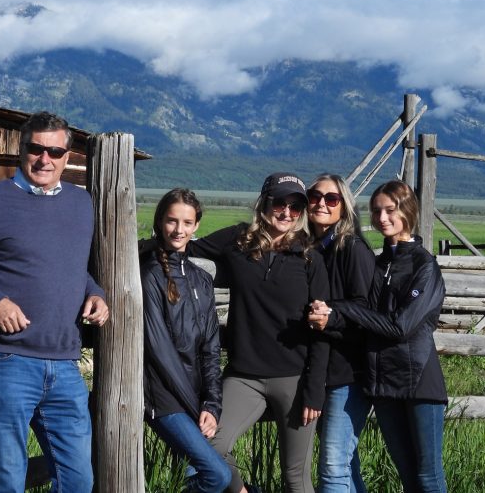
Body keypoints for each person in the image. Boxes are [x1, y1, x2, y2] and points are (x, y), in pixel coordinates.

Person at [0, 111, 110, 493]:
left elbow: (70, 267)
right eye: (35, 149)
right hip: (4, 360)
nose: (44, 159)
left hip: (65, 365)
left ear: (69, 156)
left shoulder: (81, 205)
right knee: (5, 480)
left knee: (78, 480)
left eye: (54, 151)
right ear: (21, 150)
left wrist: (95, 293)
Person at [189, 172, 330, 493]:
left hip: (294, 379)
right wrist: (139, 246)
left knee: (296, 476)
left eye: (296, 207)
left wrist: (314, 389)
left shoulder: (310, 258)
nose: (287, 212)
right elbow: (185, 246)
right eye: (280, 202)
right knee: (208, 447)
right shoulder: (237, 241)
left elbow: (322, 332)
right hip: (244, 376)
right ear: (264, 203)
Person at [309, 180, 447, 493]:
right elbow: (365, 320)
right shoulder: (380, 263)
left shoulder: (425, 266)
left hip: (420, 382)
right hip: (383, 384)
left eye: (390, 210)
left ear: (407, 211)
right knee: (407, 474)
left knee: (428, 476)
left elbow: (400, 327)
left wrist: (341, 307)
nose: (382, 218)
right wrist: (330, 317)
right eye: (376, 211)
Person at [140, 188, 231, 493]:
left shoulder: (199, 279)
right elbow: (159, 350)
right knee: (216, 476)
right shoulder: (149, 275)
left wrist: (212, 405)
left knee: (196, 476)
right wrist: (196, 409)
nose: (179, 230)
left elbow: (210, 349)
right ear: (160, 223)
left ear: (196, 227)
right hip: (162, 396)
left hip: (193, 396)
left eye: (186, 222)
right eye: (171, 221)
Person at [305, 174, 375, 493]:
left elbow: (365, 309)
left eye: (331, 199)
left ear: (343, 208)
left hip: (348, 373)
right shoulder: (312, 249)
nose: (321, 203)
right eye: (315, 196)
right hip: (325, 372)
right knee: (346, 465)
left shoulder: (352, 249)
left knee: (333, 467)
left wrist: (328, 316)